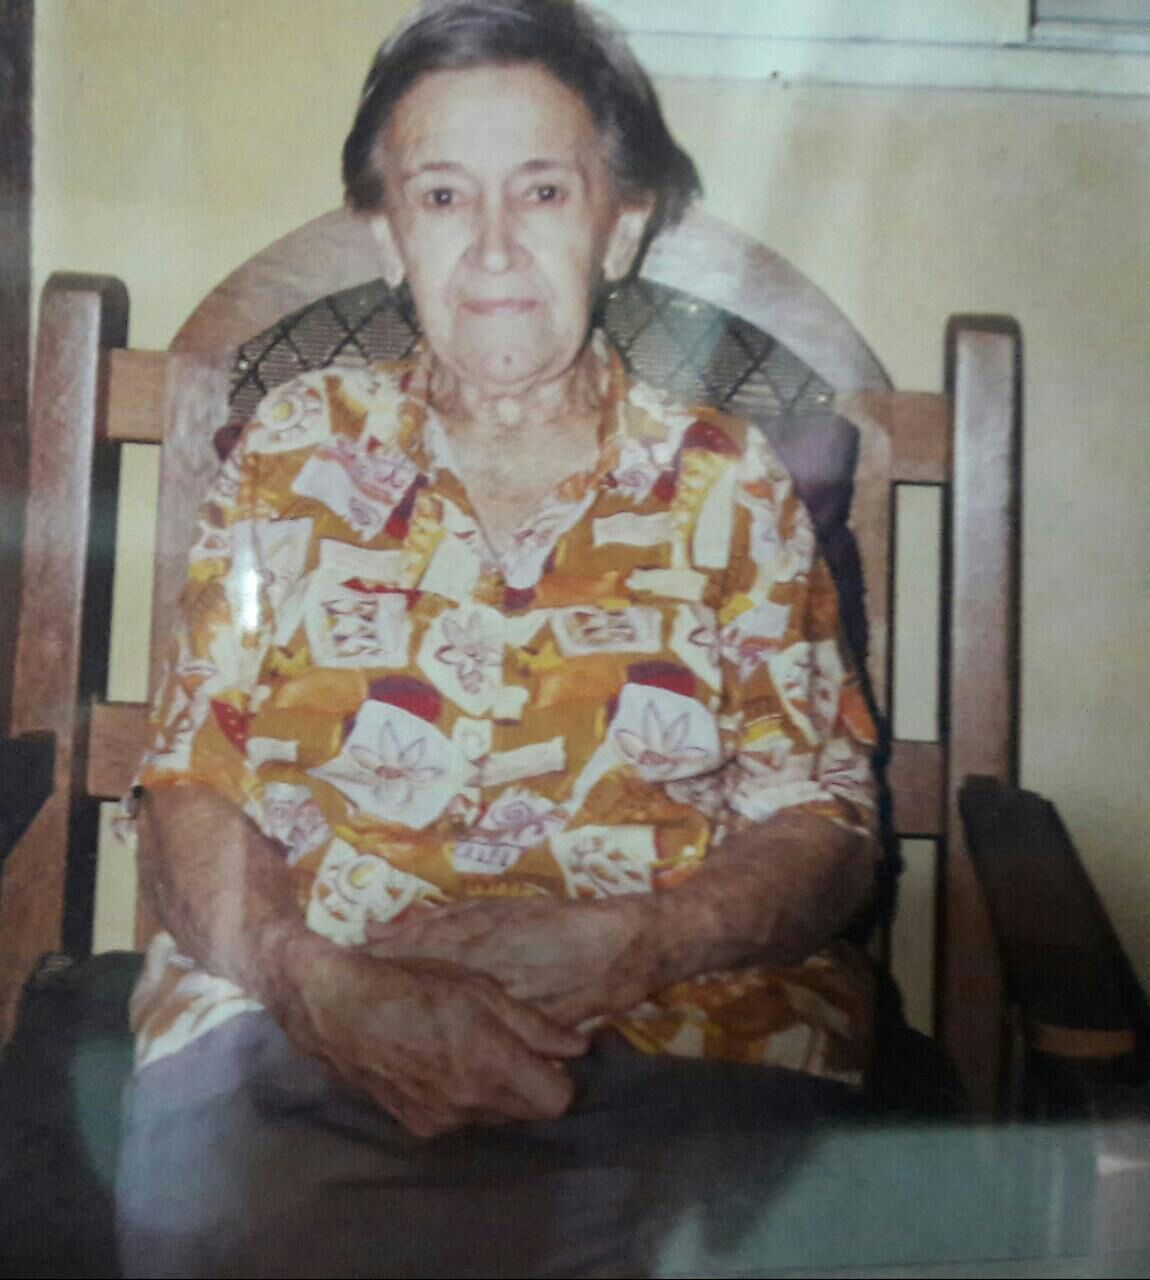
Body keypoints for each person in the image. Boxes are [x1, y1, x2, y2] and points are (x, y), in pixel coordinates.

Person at [116, 1, 880, 1274]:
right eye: (441, 196)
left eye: (540, 191)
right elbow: (193, 779)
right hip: (303, 1020)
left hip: (681, 1027)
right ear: (388, 234)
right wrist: (313, 979)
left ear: (618, 223)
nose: (492, 249)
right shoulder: (293, 452)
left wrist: (644, 938)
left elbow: (826, 823)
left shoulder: (728, 482)